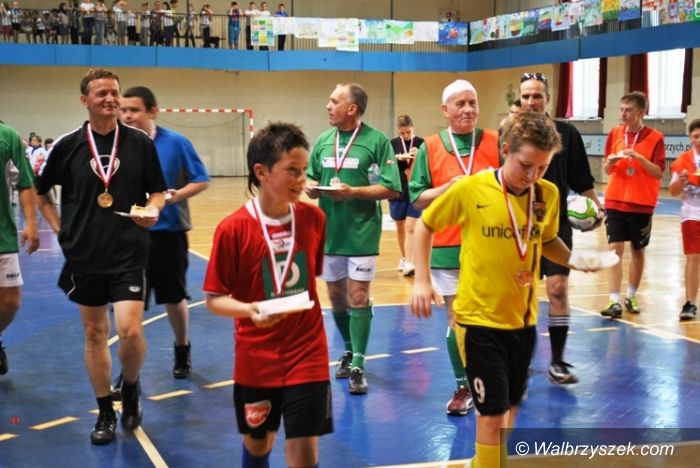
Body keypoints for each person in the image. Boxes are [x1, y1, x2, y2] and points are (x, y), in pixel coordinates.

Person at [412, 112, 596, 467]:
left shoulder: (547, 194)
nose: (533, 175)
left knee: (509, 415)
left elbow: (546, 239)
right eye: (526, 165)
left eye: (542, 167)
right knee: (492, 418)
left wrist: (574, 259)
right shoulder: (471, 189)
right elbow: (425, 225)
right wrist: (422, 279)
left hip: (522, 322)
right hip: (478, 322)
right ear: (506, 150)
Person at [34, 68, 167, 445]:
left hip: (128, 252)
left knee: (130, 331)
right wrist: (60, 230)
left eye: (114, 92)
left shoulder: (139, 143)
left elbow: (158, 191)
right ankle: (105, 410)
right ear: (85, 101)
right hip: (85, 255)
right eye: (101, 93)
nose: (110, 98)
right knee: (94, 333)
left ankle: (130, 384)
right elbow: (41, 193)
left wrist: (153, 209)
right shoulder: (68, 145)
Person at [204, 122, 332, 468]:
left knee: (304, 451)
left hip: (308, 350)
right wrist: (250, 310)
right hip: (257, 357)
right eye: (292, 170)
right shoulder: (232, 229)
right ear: (261, 172)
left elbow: (310, 281)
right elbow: (214, 299)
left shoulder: (314, 219)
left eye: (304, 170)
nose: (302, 180)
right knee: (259, 444)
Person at [408, 79, 499, 415]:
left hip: (492, 245)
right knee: (457, 318)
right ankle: (465, 386)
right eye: (460, 103)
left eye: (472, 102)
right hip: (447, 248)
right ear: (445, 110)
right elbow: (417, 198)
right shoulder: (430, 147)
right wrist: (449, 187)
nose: (468, 109)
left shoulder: (496, 141)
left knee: (492, 321)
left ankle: (493, 377)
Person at [305, 82, 401, 395]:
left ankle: (358, 363)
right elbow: (311, 175)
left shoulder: (377, 141)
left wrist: (353, 192)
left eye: (334, 101)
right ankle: (348, 348)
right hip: (330, 233)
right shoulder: (323, 140)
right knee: (336, 297)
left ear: (352, 108)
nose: (328, 106)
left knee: (358, 297)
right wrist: (310, 186)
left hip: (362, 232)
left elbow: (392, 188)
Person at [119, 85, 210, 378]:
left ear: (152, 112)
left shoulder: (177, 142)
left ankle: (182, 349)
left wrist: (175, 196)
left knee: (173, 296)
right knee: (128, 302)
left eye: (134, 110)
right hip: (129, 235)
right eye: (123, 110)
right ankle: (128, 367)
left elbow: (201, 179)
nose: (127, 116)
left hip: (168, 233)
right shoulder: (117, 144)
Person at [520, 71, 603, 384]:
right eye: (526, 96)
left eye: (537, 95)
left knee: (557, 289)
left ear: (548, 99)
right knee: (522, 294)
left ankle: (556, 362)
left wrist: (596, 208)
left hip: (556, 226)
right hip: (517, 229)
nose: (531, 101)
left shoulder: (567, 134)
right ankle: (520, 357)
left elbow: (581, 178)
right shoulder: (509, 133)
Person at [600, 91, 666, 319]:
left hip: (641, 203)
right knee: (614, 250)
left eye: (628, 110)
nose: (623, 114)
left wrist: (639, 158)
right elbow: (606, 169)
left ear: (640, 112)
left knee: (638, 251)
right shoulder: (615, 133)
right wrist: (610, 163)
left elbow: (658, 172)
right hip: (615, 200)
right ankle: (614, 301)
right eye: (621, 109)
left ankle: (631, 295)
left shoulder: (656, 137)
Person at [0, 122, 41, 376]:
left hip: (2, 234)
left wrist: (32, 223)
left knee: (11, 302)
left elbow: (25, 182)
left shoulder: (7, 136)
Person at [667, 119, 700, 320]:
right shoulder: (683, 161)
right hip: (692, 214)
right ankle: (690, 302)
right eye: (696, 136)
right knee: (693, 257)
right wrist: (681, 181)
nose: (699, 140)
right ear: (690, 138)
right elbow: (673, 191)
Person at [389, 114, 424, 277]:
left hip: (415, 189)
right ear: (398, 131)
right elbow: (386, 163)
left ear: (413, 128)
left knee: (411, 226)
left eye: (408, 132)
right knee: (400, 226)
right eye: (402, 133)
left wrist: (418, 155)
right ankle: (404, 257)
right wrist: (397, 157)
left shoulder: (421, 143)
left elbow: (426, 163)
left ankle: (411, 262)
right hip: (398, 188)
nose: (406, 135)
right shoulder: (393, 144)